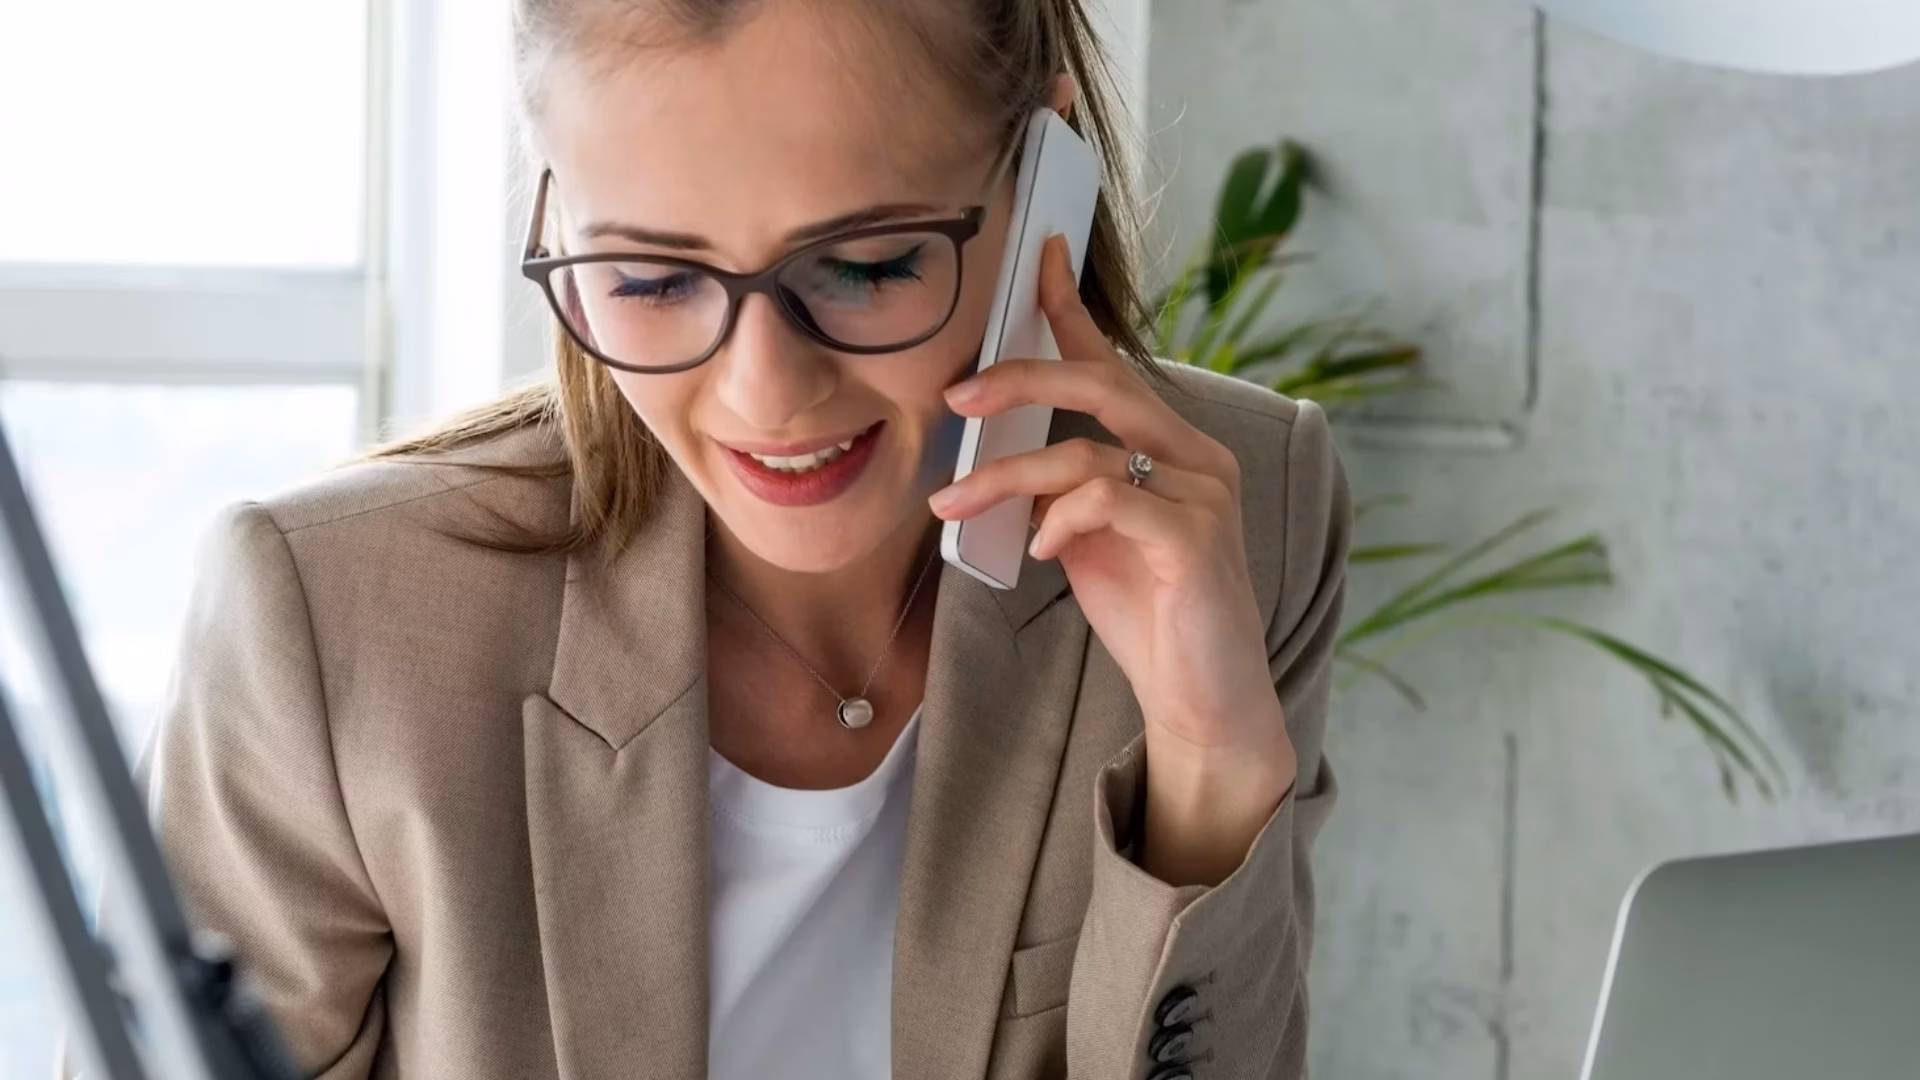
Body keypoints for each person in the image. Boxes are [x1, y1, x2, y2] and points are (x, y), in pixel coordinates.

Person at [130, 1, 1350, 1077]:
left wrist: (1208, 770)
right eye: (650, 280)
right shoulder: (333, 622)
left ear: (1047, 178)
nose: (766, 393)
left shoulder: (1240, 520)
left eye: (865, 266)